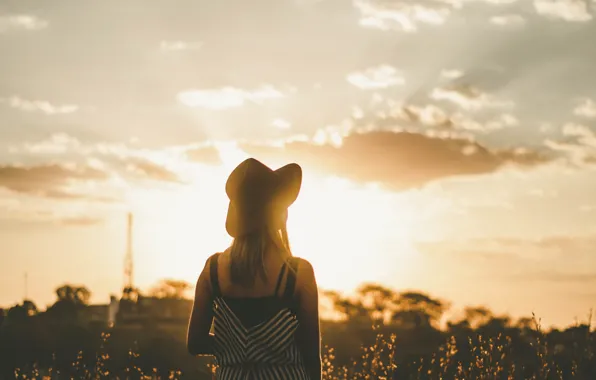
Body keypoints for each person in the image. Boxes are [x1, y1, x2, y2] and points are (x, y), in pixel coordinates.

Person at [187, 158, 322, 380]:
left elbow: (195, 343)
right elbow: (310, 357)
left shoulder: (213, 270)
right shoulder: (298, 273)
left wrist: (236, 349)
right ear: (277, 213)